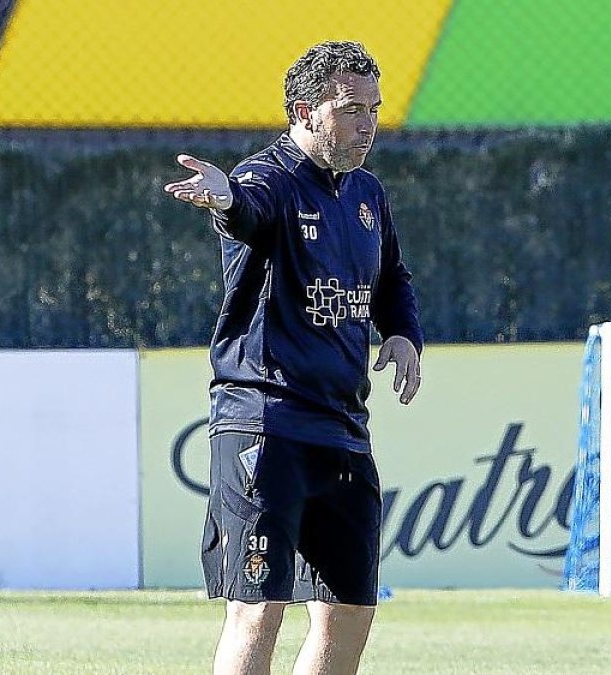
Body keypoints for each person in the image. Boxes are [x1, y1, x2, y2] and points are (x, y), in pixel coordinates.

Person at [163, 41, 422, 675]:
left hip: (342, 428)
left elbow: (393, 278)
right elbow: (246, 209)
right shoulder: (269, 179)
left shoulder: (366, 193)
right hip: (265, 424)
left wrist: (402, 333)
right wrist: (224, 197)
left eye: (374, 109)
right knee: (258, 607)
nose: (368, 124)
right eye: (351, 109)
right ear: (306, 111)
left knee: (349, 611)